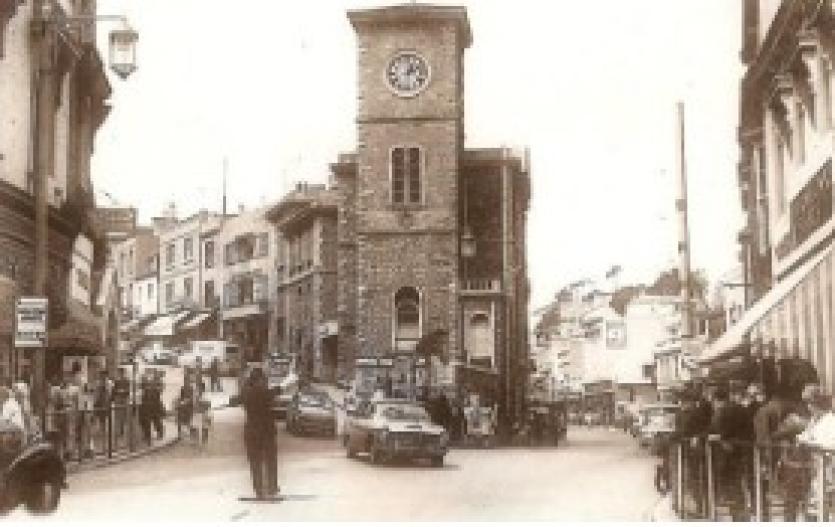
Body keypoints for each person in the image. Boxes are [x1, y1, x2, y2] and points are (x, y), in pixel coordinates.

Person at [242, 367, 278, 499]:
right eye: (264, 379)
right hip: (266, 432)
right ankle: (272, 488)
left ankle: (259, 489)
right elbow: (275, 392)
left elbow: (239, 398)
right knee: (270, 460)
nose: (265, 381)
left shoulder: (247, 393)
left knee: (255, 462)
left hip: (251, 432)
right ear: (260, 380)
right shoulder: (264, 392)